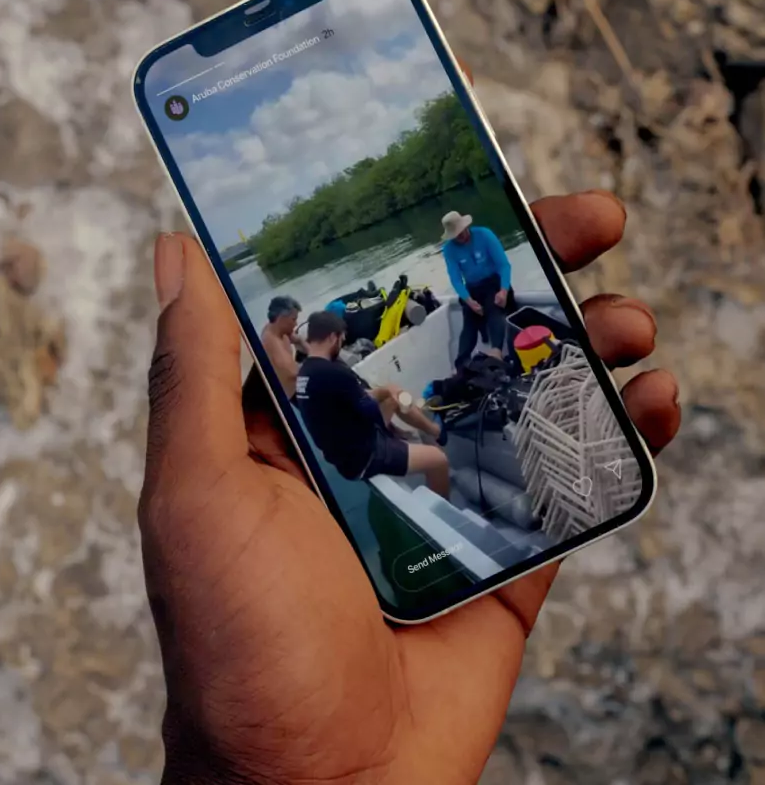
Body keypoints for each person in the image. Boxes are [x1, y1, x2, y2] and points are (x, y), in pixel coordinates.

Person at [144, 192, 680, 782]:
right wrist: (403, 406)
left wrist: (398, 387)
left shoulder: (311, 378)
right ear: (333, 340)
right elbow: (373, 407)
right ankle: (442, 484)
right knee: (432, 448)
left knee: (420, 395)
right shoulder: (334, 378)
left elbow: (348, 390)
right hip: (367, 456)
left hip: (359, 441)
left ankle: (440, 449)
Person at [295, 310, 451, 498]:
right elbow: (370, 411)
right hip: (362, 455)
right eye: (341, 339)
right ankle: (441, 506)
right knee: (438, 460)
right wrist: (391, 427)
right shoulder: (332, 373)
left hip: (343, 448)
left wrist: (388, 391)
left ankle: (433, 431)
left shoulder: (305, 372)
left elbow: (356, 399)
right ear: (332, 337)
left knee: (393, 395)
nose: (341, 344)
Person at [441, 210, 517, 370]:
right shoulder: (449, 250)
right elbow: (456, 279)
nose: (460, 237)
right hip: (472, 288)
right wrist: (468, 301)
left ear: (466, 227)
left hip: (493, 282)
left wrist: (504, 290)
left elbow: (504, 265)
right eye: (456, 235)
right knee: (469, 321)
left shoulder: (484, 235)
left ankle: (496, 352)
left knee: (493, 307)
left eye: (461, 232)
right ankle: (461, 364)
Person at [260, 295, 308, 398]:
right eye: (293, 319)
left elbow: (298, 339)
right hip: (293, 394)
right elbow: (294, 372)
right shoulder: (272, 343)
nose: (296, 324)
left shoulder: (278, 329)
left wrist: (313, 352)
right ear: (281, 318)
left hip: (298, 381)